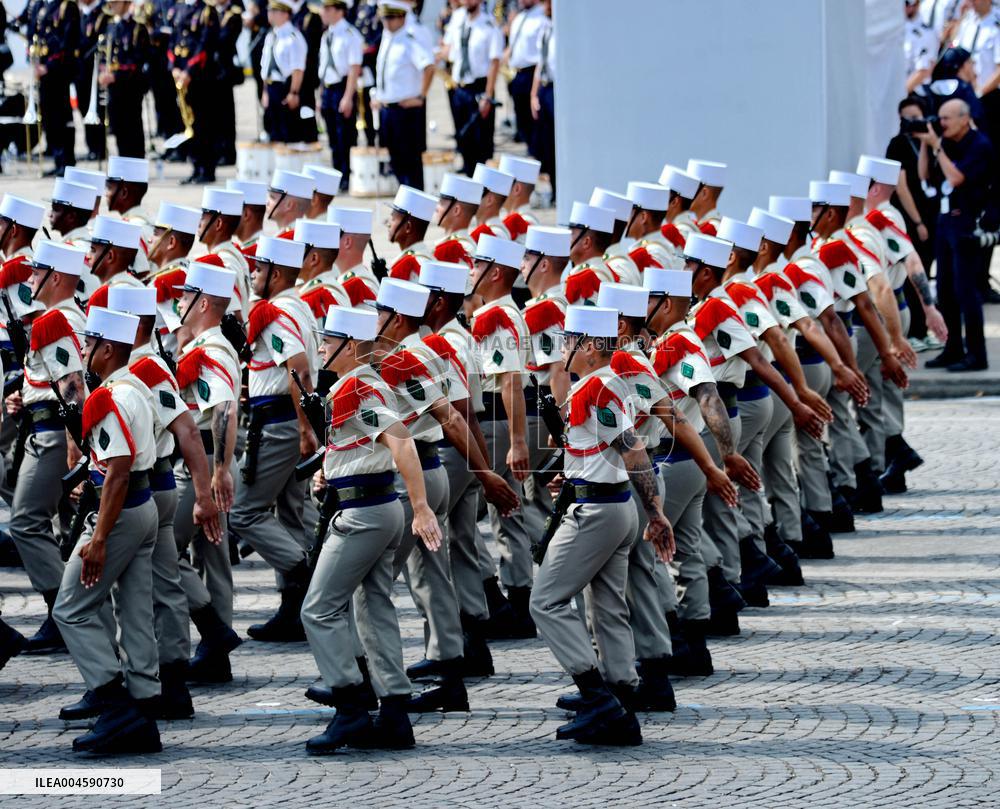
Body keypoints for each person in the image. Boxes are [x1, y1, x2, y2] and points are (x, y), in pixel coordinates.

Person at [529, 304, 672, 747]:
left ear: (590, 346)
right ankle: (621, 702)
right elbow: (600, 447)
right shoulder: (604, 382)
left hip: (599, 512)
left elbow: (631, 449)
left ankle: (595, 696)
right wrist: (572, 470)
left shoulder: (598, 386)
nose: (565, 349)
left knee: (546, 601)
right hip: (608, 504)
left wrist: (656, 513)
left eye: (571, 341)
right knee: (608, 608)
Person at [302, 305, 440, 753]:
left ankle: (350, 708)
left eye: (329, 338)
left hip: (365, 514)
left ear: (350, 345)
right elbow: (365, 445)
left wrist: (421, 506)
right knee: (374, 606)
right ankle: (395, 712)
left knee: (318, 609)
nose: (321, 345)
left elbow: (401, 440)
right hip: (374, 504)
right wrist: (332, 472)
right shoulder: (357, 384)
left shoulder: (360, 384)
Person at [52, 307, 161, 755]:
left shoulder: (110, 396)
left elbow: (115, 472)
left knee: (70, 608)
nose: (82, 349)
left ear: (108, 348)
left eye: (90, 342)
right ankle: (143, 709)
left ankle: (116, 706)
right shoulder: (134, 386)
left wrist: (97, 540)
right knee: (135, 612)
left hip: (119, 509)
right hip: (143, 505)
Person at [228, 236, 317, 641]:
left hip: (279, 424)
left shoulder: (279, 310)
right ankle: (294, 609)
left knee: (244, 512)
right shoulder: (297, 305)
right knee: (291, 513)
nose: (253, 277)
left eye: (259, 270)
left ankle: (303, 572)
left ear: (276, 274)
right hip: (285, 420)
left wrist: (303, 428)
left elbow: (297, 369)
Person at [3, 242, 87, 663]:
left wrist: (76, 458)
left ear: (56, 277)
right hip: (46, 428)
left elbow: (73, 389)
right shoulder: (54, 319)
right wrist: (24, 397)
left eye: (38, 273)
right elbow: (52, 383)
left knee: (25, 521)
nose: (30, 279)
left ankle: (62, 613)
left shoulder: (56, 320)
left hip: (55, 436)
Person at [173, 261, 244, 684]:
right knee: (213, 556)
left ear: (202, 303)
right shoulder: (202, 343)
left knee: (162, 551)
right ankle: (217, 652)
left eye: (185, 296)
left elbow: (224, 409)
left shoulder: (213, 350)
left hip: (203, 460)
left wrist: (218, 470)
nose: (179, 302)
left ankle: (213, 632)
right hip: (209, 458)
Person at [918, 97, 993, 371]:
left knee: (966, 291)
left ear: (964, 118)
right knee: (946, 291)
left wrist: (937, 146)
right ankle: (952, 349)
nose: (942, 124)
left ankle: (977, 354)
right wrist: (927, 146)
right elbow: (925, 176)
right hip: (945, 221)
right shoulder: (945, 144)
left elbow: (956, 178)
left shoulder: (979, 145)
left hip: (968, 224)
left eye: (947, 118)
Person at [886, 96, 941, 348]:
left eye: (916, 117)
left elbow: (928, 175)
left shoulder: (928, 142)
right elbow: (902, 185)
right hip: (910, 216)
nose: (912, 122)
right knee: (910, 273)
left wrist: (930, 142)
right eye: (907, 117)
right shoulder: (897, 144)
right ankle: (914, 330)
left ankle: (923, 327)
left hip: (931, 213)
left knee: (925, 270)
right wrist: (917, 221)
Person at [371, 0, 434, 190]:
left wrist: (420, 97)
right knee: (396, 161)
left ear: (402, 18)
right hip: (387, 109)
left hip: (405, 110)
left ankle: (414, 209)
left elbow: (429, 67)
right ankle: (404, 207)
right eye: (384, 18)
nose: (387, 23)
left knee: (410, 163)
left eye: (391, 18)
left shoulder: (409, 40)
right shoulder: (387, 39)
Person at [440, 0, 502, 176]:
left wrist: (488, 95)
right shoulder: (458, 18)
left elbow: (494, 62)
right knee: (463, 139)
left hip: (479, 88)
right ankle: (468, 179)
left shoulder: (489, 25)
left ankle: (481, 188)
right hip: (460, 88)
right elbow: (448, 46)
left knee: (481, 143)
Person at [169, 0, 220, 184]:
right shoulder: (180, 8)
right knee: (188, 124)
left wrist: (188, 71)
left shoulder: (207, 11)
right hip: (182, 77)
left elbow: (205, 45)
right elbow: (174, 39)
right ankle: (196, 166)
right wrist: (173, 67)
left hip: (200, 77)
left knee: (204, 124)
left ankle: (207, 169)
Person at [318, 0, 363, 189]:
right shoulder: (327, 34)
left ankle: (346, 175)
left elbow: (354, 68)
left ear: (339, 11)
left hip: (343, 87)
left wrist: (347, 97)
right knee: (332, 136)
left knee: (344, 134)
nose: (323, 12)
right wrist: (320, 96)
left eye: (327, 8)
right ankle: (336, 174)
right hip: (328, 88)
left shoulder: (350, 34)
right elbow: (323, 68)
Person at [33, 0, 81, 175]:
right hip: (45, 71)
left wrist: (49, 65)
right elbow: (38, 35)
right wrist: (37, 63)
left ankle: (67, 161)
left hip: (60, 70)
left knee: (61, 117)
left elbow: (68, 41)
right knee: (49, 118)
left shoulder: (67, 6)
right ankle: (58, 159)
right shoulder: (43, 6)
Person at [260, 1, 308, 145]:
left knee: (288, 133)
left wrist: (293, 92)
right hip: (271, 88)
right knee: (273, 133)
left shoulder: (293, 38)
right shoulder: (271, 36)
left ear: (285, 14)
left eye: (274, 11)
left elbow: (297, 69)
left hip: (285, 88)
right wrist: (265, 91)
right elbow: (266, 67)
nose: (270, 14)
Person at [504, 0, 545, 150]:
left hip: (532, 73)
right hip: (518, 74)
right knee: (523, 122)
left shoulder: (541, 17)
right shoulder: (520, 17)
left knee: (535, 123)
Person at [78, 0, 110, 161]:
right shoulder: (80, 13)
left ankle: (100, 148)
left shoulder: (102, 13)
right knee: (84, 107)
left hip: (95, 68)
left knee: (98, 108)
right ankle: (91, 146)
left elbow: (102, 41)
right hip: (81, 70)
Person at [216, 0, 245, 167]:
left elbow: (224, 39)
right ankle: (219, 149)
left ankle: (227, 152)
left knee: (226, 115)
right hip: (214, 71)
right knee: (217, 115)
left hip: (225, 72)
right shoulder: (214, 12)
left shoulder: (232, 15)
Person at [530, 0, 554, 197]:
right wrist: (533, 93)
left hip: (557, 88)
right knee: (546, 142)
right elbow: (540, 63)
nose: (546, 6)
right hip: (544, 88)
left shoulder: (563, 31)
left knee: (556, 141)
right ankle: (554, 186)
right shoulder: (546, 28)